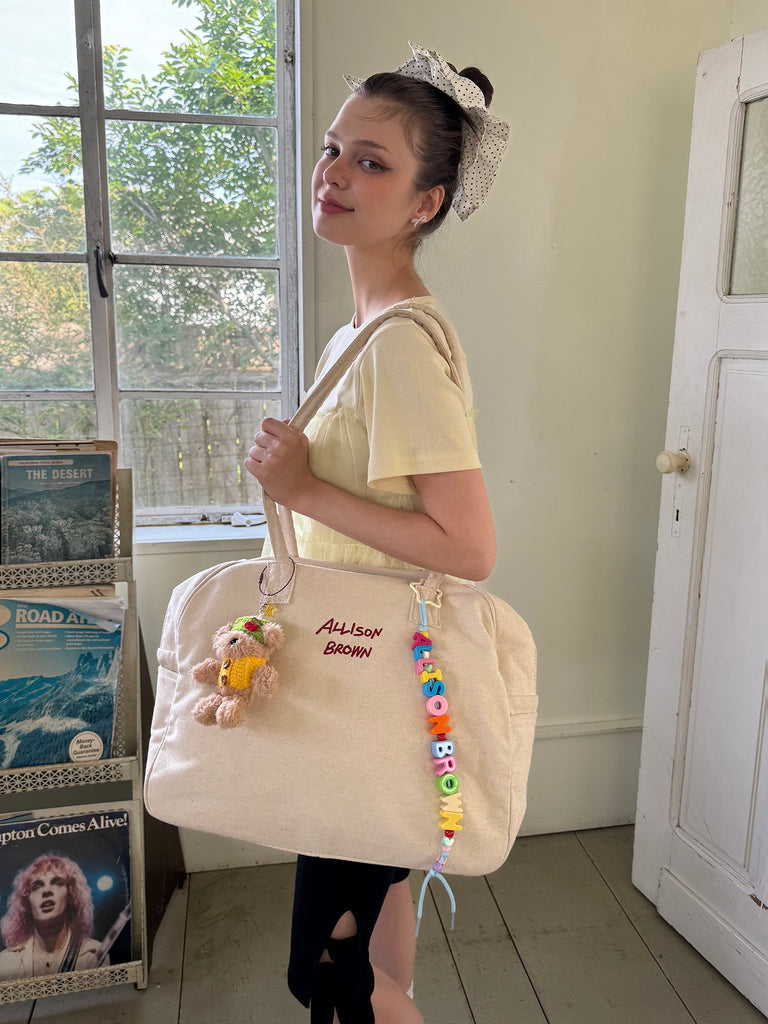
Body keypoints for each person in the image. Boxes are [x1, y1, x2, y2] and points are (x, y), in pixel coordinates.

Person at [245, 41, 509, 1024]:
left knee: (323, 973)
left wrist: (302, 488)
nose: (335, 172)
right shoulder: (363, 334)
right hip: (368, 675)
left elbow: (470, 546)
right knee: (379, 898)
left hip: (372, 686)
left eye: (371, 162)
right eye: (332, 148)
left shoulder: (396, 347)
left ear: (423, 203)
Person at [0, 854, 106, 980]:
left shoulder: (93, 955)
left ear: (71, 896)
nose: (46, 891)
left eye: (57, 883)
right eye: (37, 886)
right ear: (26, 903)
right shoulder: (7, 962)